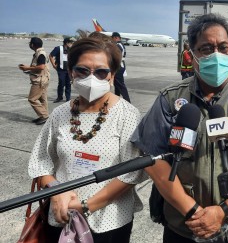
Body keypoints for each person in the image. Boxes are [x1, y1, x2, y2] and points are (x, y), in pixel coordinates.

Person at [132, 13, 228, 243]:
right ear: (192, 54)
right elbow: (153, 159)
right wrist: (193, 212)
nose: (216, 54)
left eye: (223, 47)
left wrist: (223, 212)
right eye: (206, 48)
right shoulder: (170, 99)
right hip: (184, 224)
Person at [28, 37, 147, 243]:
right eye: (82, 70)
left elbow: (132, 171)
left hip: (109, 221)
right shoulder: (60, 114)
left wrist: (86, 206)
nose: (91, 78)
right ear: (71, 72)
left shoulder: (127, 115)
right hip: (62, 215)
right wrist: (56, 192)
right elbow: (41, 161)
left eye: (101, 72)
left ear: (112, 76)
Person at [18, 37, 50, 125]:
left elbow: (41, 67)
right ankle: (43, 116)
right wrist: (28, 69)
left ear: (32, 45)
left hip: (39, 80)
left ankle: (44, 116)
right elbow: (40, 67)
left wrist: (27, 67)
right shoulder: (41, 52)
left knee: (32, 99)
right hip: (43, 78)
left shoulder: (40, 54)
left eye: (30, 44)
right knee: (42, 99)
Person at [49, 37, 75, 103]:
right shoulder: (58, 48)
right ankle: (59, 97)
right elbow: (51, 55)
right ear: (67, 43)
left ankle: (68, 98)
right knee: (61, 83)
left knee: (68, 84)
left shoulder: (72, 49)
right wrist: (53, 65)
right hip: (61, 69)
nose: (72, 44)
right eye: (71, 42)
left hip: (69, 70)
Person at [111, 32, 131, 103]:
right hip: (121, 65)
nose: (112, 40)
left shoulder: (117, 45)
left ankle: (128, 102)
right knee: (117, 85)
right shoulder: (121, 45)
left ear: (116, 37)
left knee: (120, 85)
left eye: (112, 38)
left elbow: (116, 57)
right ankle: (116, 100)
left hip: (118, 66)